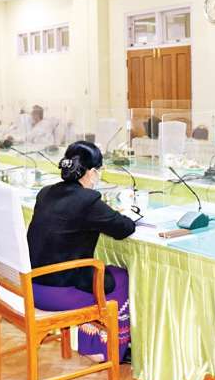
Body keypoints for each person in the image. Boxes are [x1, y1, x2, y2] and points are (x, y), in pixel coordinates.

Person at [26, 141, 135, 362]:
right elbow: (124, 228)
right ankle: (107, 350)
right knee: (120, 278)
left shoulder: (46, 193)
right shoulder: (88, 200)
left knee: (99, 275)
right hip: (58, 294)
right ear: (92, 172)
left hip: (31, 285)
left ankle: (91, 345)